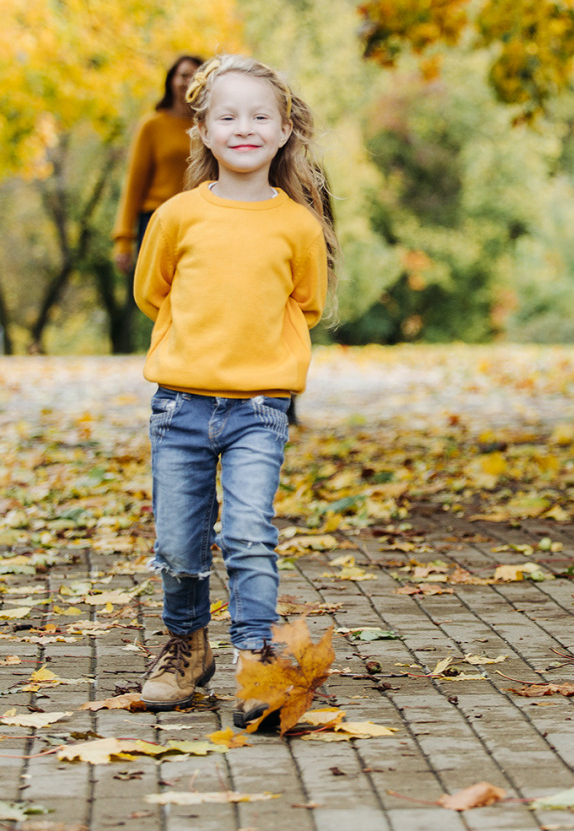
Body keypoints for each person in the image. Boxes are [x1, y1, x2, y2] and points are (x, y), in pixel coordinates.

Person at [131, 54, 337, 729]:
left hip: (258, 411)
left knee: (249, 533)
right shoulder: (178, 216)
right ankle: (187, 648)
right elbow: (151, 292)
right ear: (204, 133)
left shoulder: (297, 225)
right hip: (180, 408)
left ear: (283, 132)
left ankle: (258, 663)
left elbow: (305, 302)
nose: (243, 127)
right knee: (180, 545)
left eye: (259, 116)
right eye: (227, 116)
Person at [113, 55, 204, 276]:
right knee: (156, 299)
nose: (188, 81)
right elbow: (134, 184)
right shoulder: (152, 125)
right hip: (157, 220)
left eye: (195, 76)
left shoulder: (210, 127)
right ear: (171, 80)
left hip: (199, 221)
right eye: (183, 75)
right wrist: (123, 239)